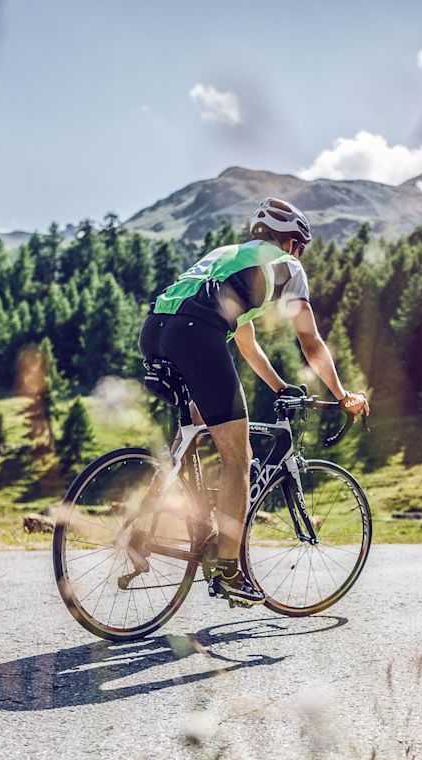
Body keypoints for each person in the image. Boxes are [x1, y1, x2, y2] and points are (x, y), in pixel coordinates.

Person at [138, 198, 368, 604]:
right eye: (300, 247)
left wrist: (279, 386)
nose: (300, 255)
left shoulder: (231, 258)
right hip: (196, 335)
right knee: (238, 457)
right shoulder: (288, 266)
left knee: (192, 427)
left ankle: (152, 524)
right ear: (293, 243)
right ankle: (228, 570)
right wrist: (342, 395)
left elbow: (245, 340)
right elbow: (310, 341)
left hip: (156, 329)